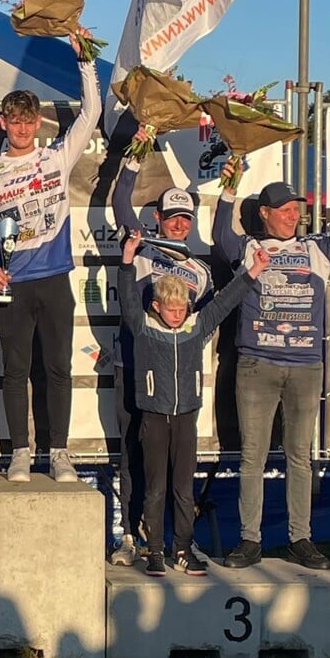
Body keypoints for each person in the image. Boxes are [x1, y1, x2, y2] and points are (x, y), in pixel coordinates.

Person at [212, 174, 330, 569]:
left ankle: (300, 538)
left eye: (297, 211)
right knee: (252, 457)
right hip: (256, 364)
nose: (293, 217)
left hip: (305, 366)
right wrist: (230, 187)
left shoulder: (318, 248)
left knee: (300, 457)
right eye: (285, 211)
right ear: (265, 214)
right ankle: (249, 540)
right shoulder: (249, 247)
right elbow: (221, 232)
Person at [0, 36, 102, 482]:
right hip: (14, 286)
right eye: (15, 121)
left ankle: (59, 452)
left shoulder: (57, 157)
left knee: (59, 368)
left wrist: (85, 60)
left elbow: (92, 113)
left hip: (55, 279)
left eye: (28, 121)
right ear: (4, 123)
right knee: (16, 371)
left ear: (38, 122)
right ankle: (20, 452)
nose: (22, 129)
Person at [115, 230, 269, 576]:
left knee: (184, 489)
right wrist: (127, 258)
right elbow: (127, 298)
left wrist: (254, 271)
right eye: (170, 309)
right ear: (156, 306)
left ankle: (183, 547)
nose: (176, 314)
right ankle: (154, 550)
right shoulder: (142, 326)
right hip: (153, 417)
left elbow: (225, 301)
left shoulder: (196, 325)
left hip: (186, 417)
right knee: (155, 488)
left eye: (181, 308)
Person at [107, 143, 215, 562]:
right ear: (158, 218)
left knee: (175, 467)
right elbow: (119, 200)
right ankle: (132, 537)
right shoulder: (142, 249)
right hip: (130, 364)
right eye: (172, 218)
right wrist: (138, 148)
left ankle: (179, 543)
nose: (178, 225)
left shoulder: (200, 273)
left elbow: (202, 325)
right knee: (133, 454)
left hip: (173, 381)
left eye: (185, 219)